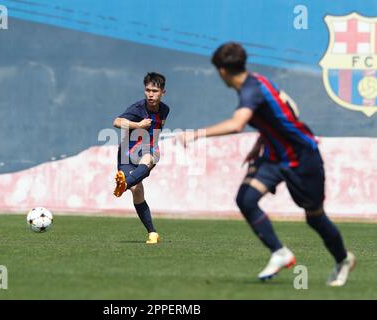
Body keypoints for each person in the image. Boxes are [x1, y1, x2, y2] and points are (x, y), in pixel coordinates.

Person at [180, 43, 355, 286]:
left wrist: (195, 134)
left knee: (314, 217)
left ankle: (343, 259)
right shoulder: (259, 80)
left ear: (222, 71)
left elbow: (236, 124)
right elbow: (288, 110)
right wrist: (262, 140)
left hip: (303, 158)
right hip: (273, 157)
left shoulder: (250, 91)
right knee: (246, 199)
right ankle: (280, 253)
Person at [113, 72, 170, 244]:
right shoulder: (138, 109)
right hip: (126, 155)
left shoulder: (165, 110)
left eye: (154, 90)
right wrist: (137, 125)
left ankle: (124, 184)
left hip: (148, 150)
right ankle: (153, 233)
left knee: (149, 157)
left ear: (162, 92)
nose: (150, 94)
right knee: (137, 191)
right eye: (147, 90)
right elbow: (116, 122)